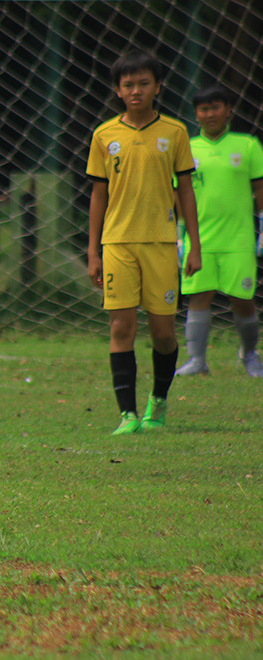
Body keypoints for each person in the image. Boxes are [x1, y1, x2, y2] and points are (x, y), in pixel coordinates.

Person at [85, 50, 202, 435]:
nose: (136, 91)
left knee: (164, 333)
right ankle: (127, 415)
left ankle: (159, 401)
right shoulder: (104, 135)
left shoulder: (175, 132)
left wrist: (193, 244)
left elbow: (185, 191)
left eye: (143, 84)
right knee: (121, 328)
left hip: (161, 244)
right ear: (118, 90)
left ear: (157, 86)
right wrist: (94, 250)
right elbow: (98, 195)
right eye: (128, 85)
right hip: (118, 243)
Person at [174, 85, 263, 378]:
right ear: (196, 114)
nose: (210, 114)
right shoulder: (186, 147)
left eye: (215, 107)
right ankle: (197, 361)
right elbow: (177, 193)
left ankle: (249, 354)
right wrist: (177, 232)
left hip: (238, 238)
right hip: (199, 239)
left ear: (228, 110)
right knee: (199, 295)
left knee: (243, 299)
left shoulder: (248, 145)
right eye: (203, 109)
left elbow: (260, 188)